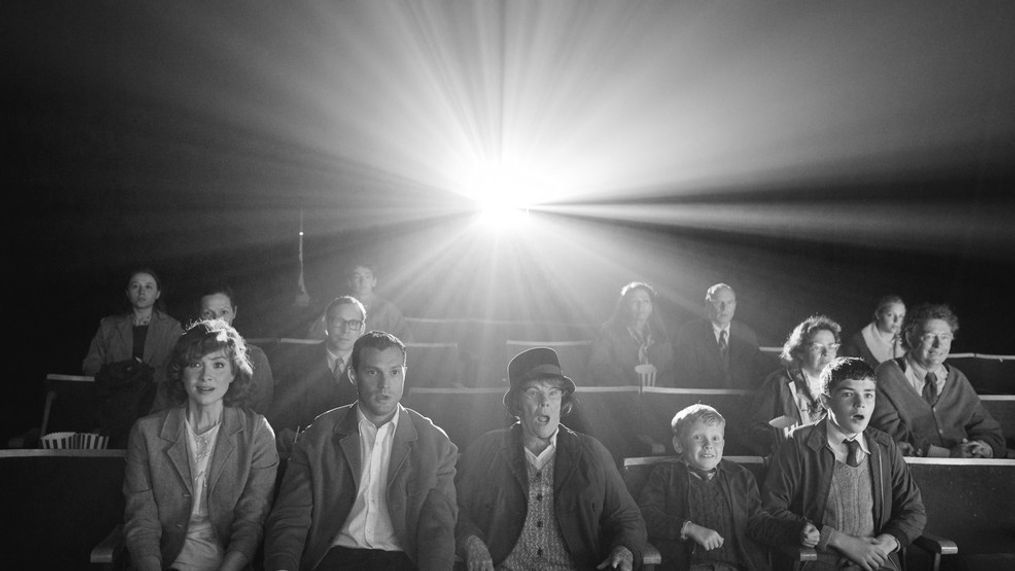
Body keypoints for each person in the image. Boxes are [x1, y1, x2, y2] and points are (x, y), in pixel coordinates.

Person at [264, 331, 457, 571]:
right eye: (372, 372)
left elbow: (438, 529)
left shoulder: (435, 443)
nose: (384, 384)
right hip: (333, 558)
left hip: (402, 560)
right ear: (353, 376)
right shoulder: (319, 435)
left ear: (404, 374)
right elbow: (291, 516)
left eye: (394, 372)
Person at [456, 347, 647, 571]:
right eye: (533, 392)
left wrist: (624, 550)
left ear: (562, 401)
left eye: (553, 392)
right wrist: (472, 543)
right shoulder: (486, 450)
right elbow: (454, 509)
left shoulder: (592, 452)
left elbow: (627, 517)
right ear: (517, 403)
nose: (544, 402)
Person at [123, 320, 279, 571]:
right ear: (180, 371)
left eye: (218, 365)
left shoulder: (257, 433)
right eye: (195, 364)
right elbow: (142, 521)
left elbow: (251, 522)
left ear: (233, 373)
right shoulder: (146, 432)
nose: (206, 376)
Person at [762, 357, 926, 571]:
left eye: (868, 395)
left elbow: (913, 511)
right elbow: (772, 509)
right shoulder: (798, 443)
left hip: (875, 560)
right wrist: (839, 540)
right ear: (825, 401)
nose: (861, 404)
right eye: (848, 394)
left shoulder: (883, 446)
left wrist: (884, 544)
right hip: (817, 560)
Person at [638, 404, 795, 571]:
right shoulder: (665, 475)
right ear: (678, 444)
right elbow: (646, 516)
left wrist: (796, 531)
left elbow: (757, 522)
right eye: (698, 437)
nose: (708, 445)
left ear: (723, 443)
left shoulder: (741, 476)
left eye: (715, 438)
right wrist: (689, 528)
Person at [870, 303, 1004, 458]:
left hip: (968, 468)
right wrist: (947, 455)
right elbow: (888, 435)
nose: (938, 345)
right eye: (929, 337)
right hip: (914, 471)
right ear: (909, 336)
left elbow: (988, 429)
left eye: (945, 337)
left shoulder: (956, 379)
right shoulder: (886, 375)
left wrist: (984, 447)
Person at [269, 296, 365, 457]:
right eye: (338, 321)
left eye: (353, 323)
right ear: (325, 323)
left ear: (362, 329)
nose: (345, 329)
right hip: (304, 450)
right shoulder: (297, 362)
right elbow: (282, 414)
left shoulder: (369, 366)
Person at [746, 315, 842, 456]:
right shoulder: (779, 382)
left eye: (831, 346)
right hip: (792, 460)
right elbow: (755, 428)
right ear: (800, 351)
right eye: (817, 347)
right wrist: (784, 436)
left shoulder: (842, 384)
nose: (826, 353)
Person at [83, 268, 183, 389]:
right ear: (127, 292)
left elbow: (177, 367)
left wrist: (145, 374)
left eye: (148, 287)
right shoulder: (108, 325)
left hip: (157, 398)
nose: (142, 292)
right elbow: (91, 365)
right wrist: (115, 374)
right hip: (114, 395)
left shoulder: (172, 327)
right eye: (135, 286)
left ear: (157, 294)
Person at [199, 284, 275, 415]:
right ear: (200, 317)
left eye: (224, 312)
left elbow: (260, 412)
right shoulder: (187, 355)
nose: (217, 320)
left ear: (234, 312)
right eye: (208, 313)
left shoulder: (256, 358)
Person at [673, 283, 765, 389]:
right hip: (702, 400)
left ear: (735, 305)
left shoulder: (746, 334)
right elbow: (684, 377)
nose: (724, 308)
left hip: (741, 401)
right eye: (718, 303)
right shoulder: (689, 332)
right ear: (707, 304)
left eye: (729, 303)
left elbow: (756, 374)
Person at [588, 281, 675, 386]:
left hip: (657, 397)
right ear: (624, 306)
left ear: (652, 306)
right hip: (621, 395)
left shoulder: (660, 334)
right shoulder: (608, 332)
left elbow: (669, 370)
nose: (641, 306)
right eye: (635, 301)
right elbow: (598, 367)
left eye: (646, 301)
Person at [307, 262, 412, 342]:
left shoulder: (388, 309)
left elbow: (406, 341)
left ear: (374, 281)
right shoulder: (336, 308)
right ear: (349, 282)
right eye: (357, 277)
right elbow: (314, 337)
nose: (363, 281)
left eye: (367, 276)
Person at [841, 295, 907, 368]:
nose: (896, 321)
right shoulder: (857, 343)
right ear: (878, 314)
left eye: (900, 316)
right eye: (890, 315)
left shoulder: (906, 345)